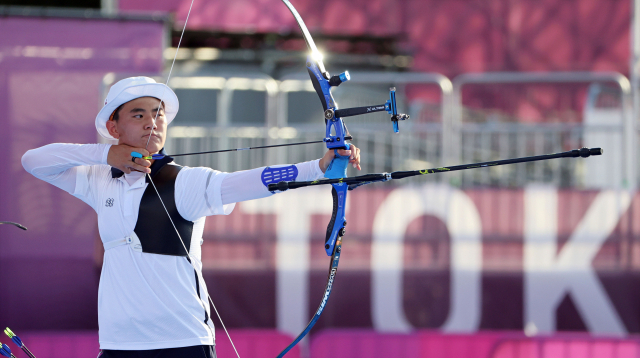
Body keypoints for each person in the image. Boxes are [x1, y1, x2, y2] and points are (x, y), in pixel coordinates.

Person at [21, 76, 361, 358]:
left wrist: (317, 167)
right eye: (138, 115)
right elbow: (34, 160)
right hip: (117, 344)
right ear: (114, 126)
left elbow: (246, 182)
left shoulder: (186, 181)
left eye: (158, 114)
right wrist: (106, 153)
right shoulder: (97, 181)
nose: (152, 122)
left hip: (182, 343)